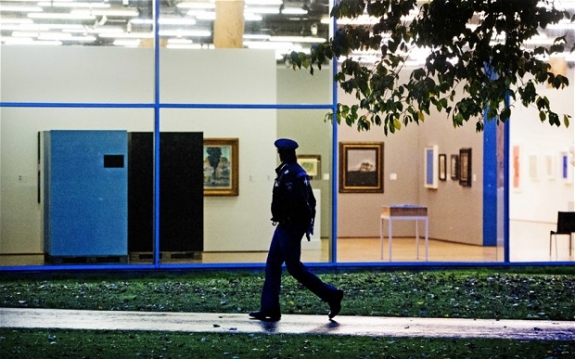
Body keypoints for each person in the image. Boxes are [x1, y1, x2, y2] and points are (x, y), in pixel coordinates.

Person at [249, 138, 344, 322]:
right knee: (272, 264)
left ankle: (332, 295)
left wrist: (298, 225)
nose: (279, 155)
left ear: (286, 153)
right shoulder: (288, 171)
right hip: (285, 225)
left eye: (281, 152)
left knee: (294, 268)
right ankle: (269, 308)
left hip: (290, 226)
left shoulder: (294, 174)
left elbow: (303, 203)